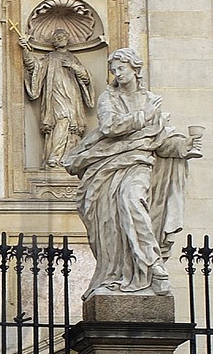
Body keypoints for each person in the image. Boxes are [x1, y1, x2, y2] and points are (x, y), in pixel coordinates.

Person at [64, 47, 202, 298]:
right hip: (107, 166)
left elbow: (161, 139)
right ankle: (117, 272)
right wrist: (142, 117)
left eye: (121, 68)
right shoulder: (109, 98)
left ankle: (152, 266)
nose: (117, 73)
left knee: (131, 201)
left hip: (139, 164)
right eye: (113, 70)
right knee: (111, 225)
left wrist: (185, 146)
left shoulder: (151, 100)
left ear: (134, 68)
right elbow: (108, 126)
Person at [20, 26, 94, 169]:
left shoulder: (73, 58)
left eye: (63, 36)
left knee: (72, 127)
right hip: (55, 96)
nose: (61, 39)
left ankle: (68, 157)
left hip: (72, 97)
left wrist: (74, 66)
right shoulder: (50, 58)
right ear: (54, 41)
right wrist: (25, 50)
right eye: (58, 37)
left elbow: (86, 78)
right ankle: (54, 157)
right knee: (61, 122)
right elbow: (35, 67)